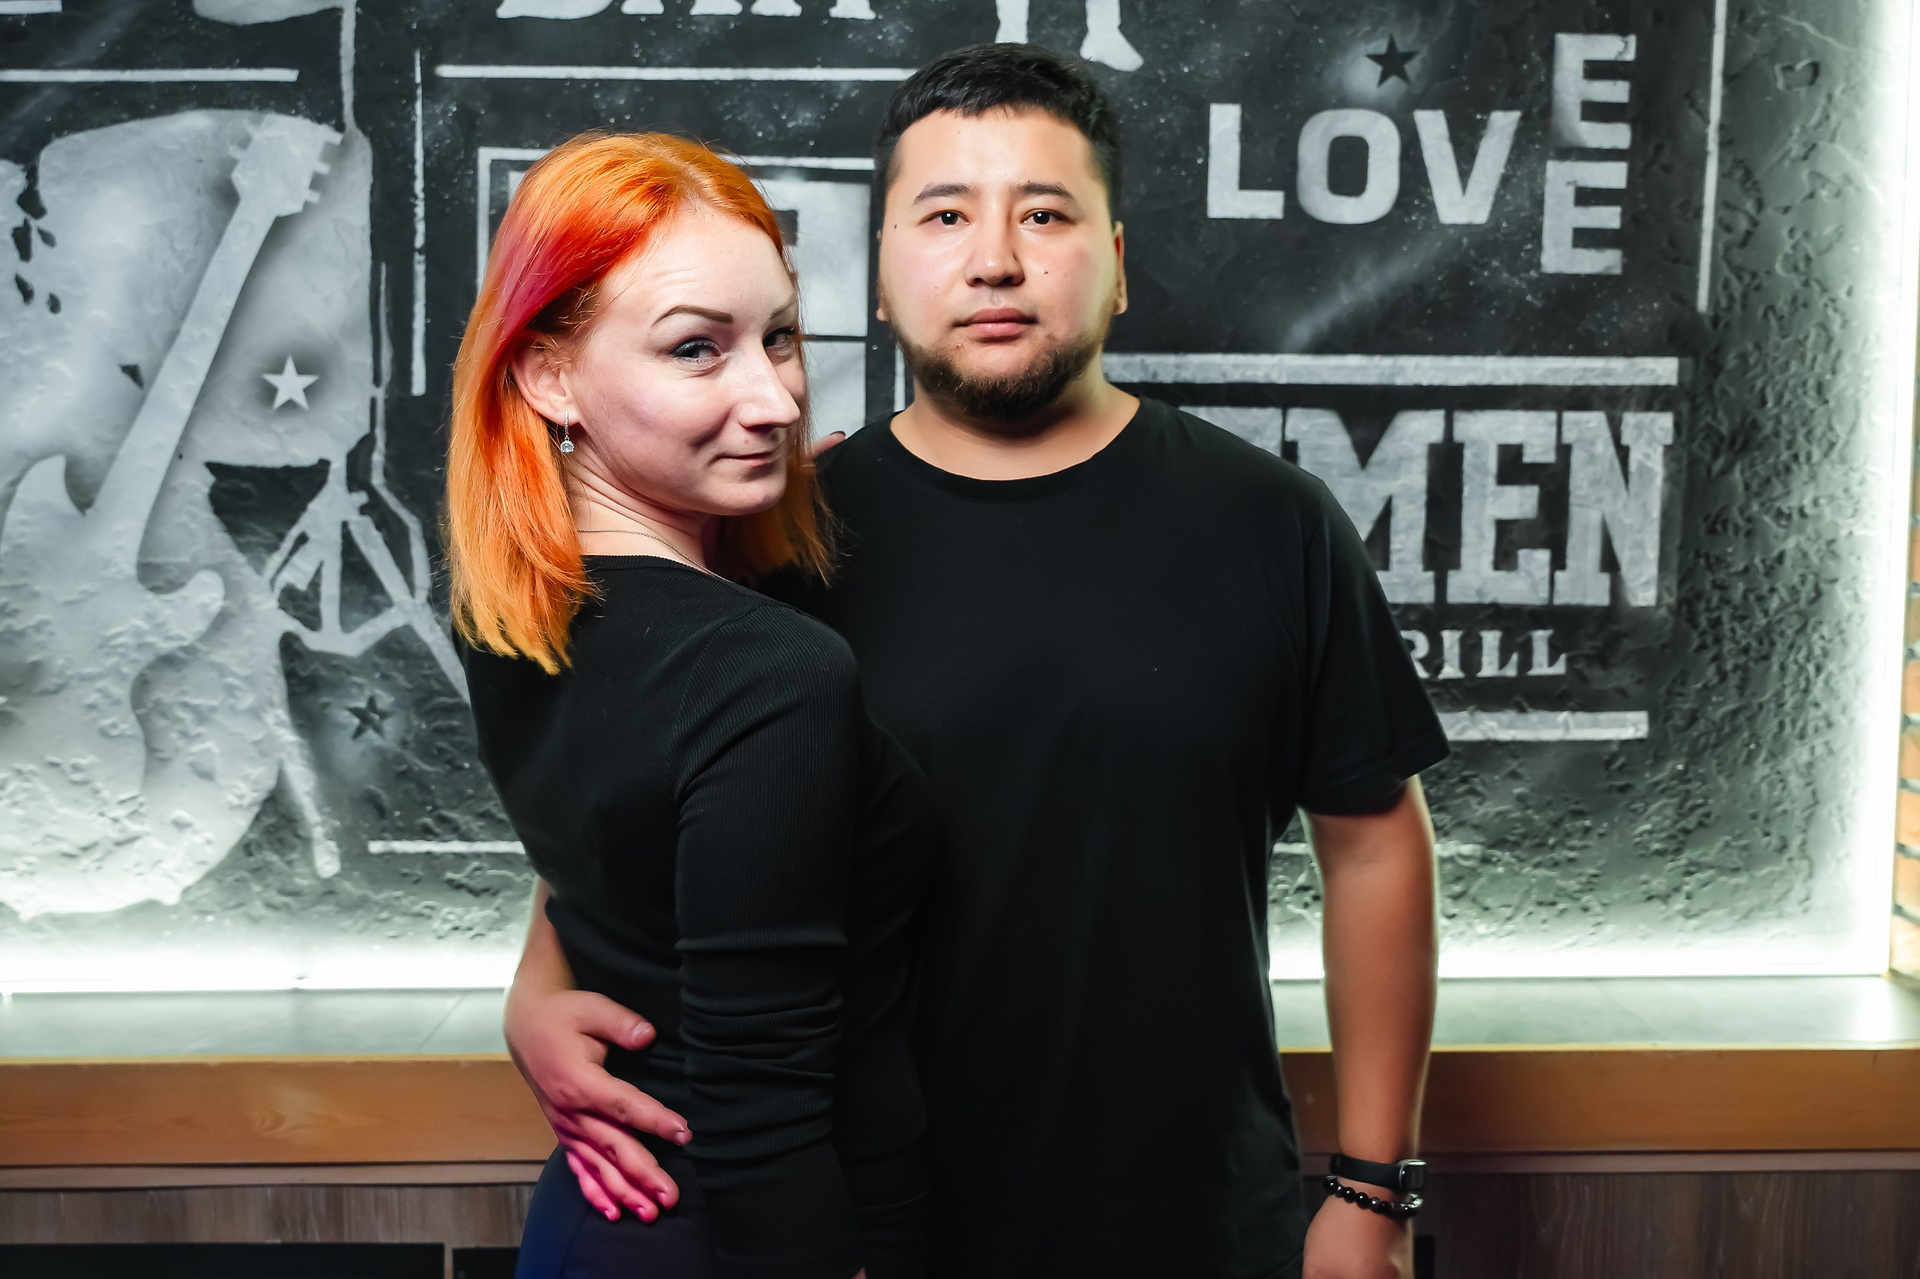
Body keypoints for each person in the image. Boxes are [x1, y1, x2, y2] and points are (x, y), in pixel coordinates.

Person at [504, 46, 1445, 1279]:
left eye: (1045, 214)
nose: (994, 258)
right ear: (880, 271)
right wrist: (537, 984)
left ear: (1119, 264)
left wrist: (1374, 1189)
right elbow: (640, 812)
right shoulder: (773, 535)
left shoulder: (1273, 523)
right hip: (869, 1224)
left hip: (1194, 1216)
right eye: (944, 215)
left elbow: (1375, 845)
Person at [447, 131, 935, 1279]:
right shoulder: (762, 669)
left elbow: (623, 853)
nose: (774, 398)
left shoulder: (520, 606)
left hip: (606, 1216)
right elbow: (761, 1107)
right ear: (548, 375)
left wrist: (535, 985)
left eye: (780, 337)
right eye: (695, 349)